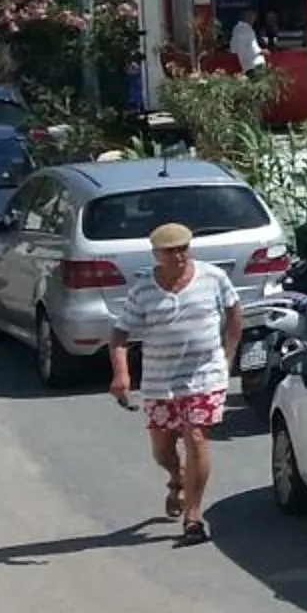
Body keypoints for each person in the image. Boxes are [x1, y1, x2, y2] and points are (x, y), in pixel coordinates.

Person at [108, 222, 242, 546]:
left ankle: (193, 516)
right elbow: (119, 334)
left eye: (184, 248)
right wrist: (121, 374)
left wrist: (226, 358)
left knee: (196, 436)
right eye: (171, 251)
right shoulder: (143, 290)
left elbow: (235, 314)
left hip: (204, 376)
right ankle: (176, 477)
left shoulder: (213, 278)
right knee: (162, 449)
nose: (180, 256)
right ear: (157, 255)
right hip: (159, 381)